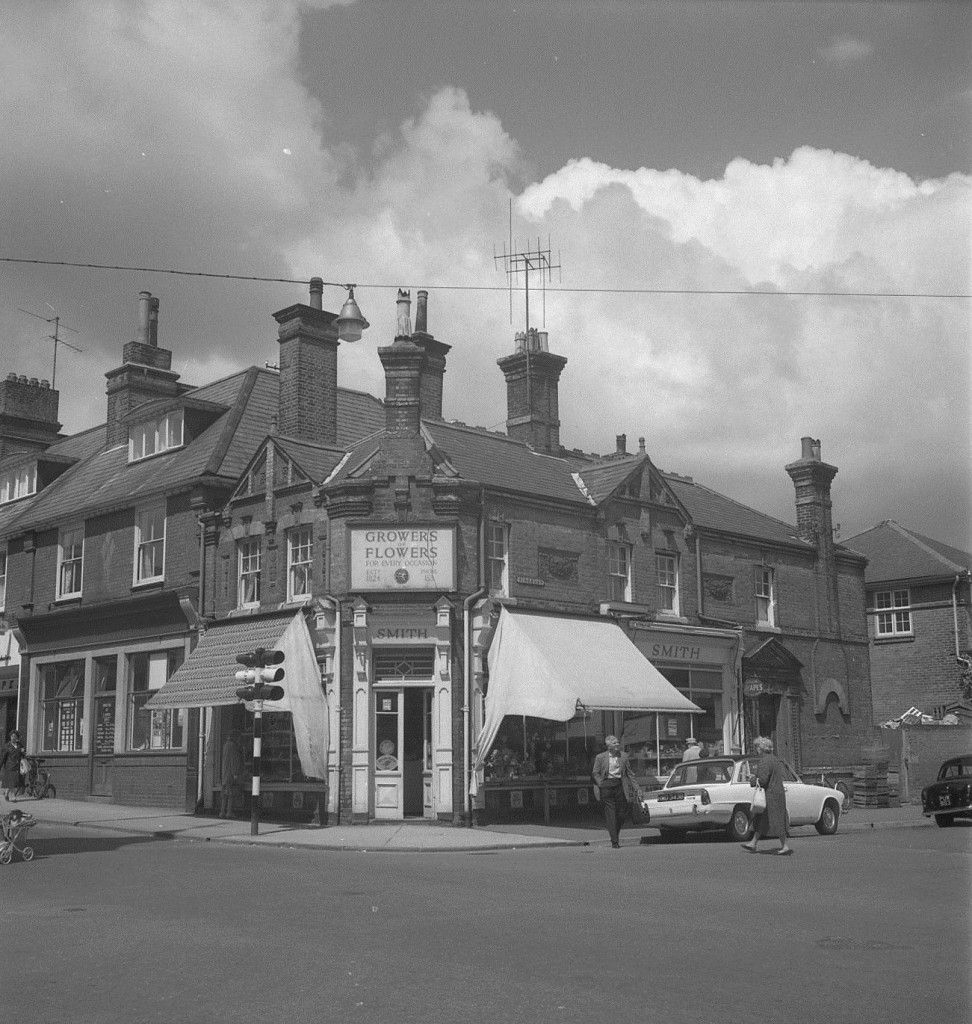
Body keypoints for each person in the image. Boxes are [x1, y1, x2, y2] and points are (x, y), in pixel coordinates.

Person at [741, 735, 793, 855]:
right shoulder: (774, 759)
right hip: (776, 793)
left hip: (770, 795)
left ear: (761, 748)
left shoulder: (764, 761)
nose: (756, 749)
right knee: (763, 819)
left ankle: (784, 846)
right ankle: (753, 843)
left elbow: (763, 780)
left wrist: (753, 780)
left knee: (774, 820)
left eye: (757, 747)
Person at [591, 735, 642, 848]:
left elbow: (629, 773)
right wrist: (601, 783)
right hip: (607, 786)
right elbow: (595, 772)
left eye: (617, 743)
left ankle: (615, 833)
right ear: (608, 746)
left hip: (619, 785)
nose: (617, 744)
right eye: (614, 743)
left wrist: (637, 789)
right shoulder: (600, 757)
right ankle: (614, 841)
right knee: (611, 814)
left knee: (622, 814)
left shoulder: (623, 756)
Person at [220, 729, 244, 819]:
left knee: (224, 794)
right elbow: (234, 760)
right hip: (230, 773)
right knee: (231, 794)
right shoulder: (233, 746)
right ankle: (229, 812)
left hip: (225, 773)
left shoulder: (225, 745)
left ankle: (222, 812)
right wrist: (235, 773)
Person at [1, 729, 26, 803]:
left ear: (17, 737)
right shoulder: (7, 746)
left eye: (15, 736)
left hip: (17, 766)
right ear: (10, 737)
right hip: (10, 766)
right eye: (12, 736)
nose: (13, 738)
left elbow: (23, 754)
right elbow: (2, 757)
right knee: (13, 782)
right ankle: (14, 796)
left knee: (15, 782)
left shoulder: (19, 745)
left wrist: (23, 751)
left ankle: (7, 792)